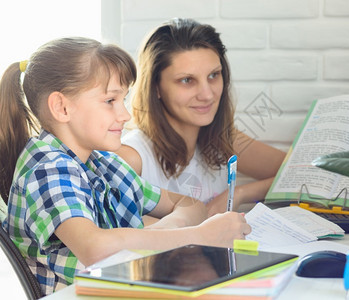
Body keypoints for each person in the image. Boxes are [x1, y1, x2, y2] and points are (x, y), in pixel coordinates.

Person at [0, 37, 250, 295]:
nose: (125, 114)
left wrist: (163, 230)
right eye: (110, 101)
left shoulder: (105, 165)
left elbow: (190, 205)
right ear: (62, 107)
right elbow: (94, 247)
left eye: (124, 100)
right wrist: (198, 236)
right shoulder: (46, 169)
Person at [116, 18, 286, 216]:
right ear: (156, 88)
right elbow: (110, 232)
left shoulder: (224, 140)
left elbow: (299, 174)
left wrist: (240, 193)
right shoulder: (132, 156)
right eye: (187, 80)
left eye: (214, 75)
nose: (207, 94)